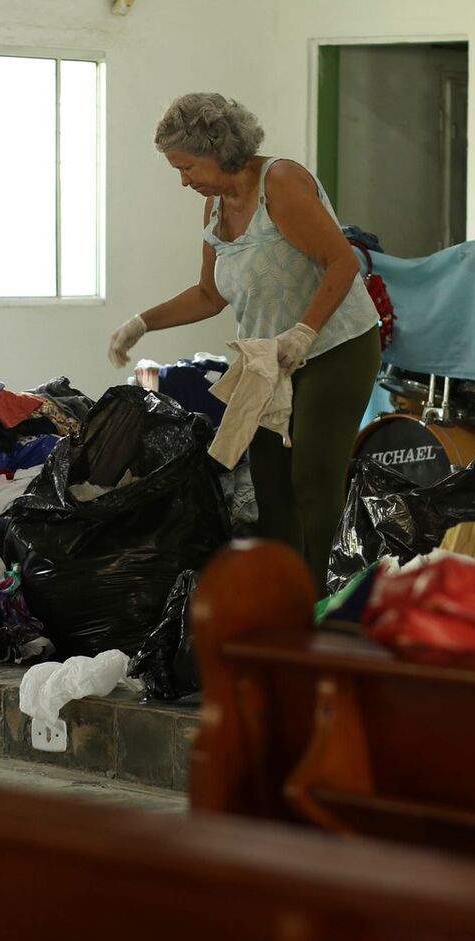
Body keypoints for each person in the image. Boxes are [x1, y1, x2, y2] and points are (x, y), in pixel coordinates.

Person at [111, 92, 380, 589]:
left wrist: (305, 330)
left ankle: (329, 602)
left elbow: (342, 260)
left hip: (334, 348)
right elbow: (210, 295)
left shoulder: (280, 181)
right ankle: (286, 599)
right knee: (270, 487)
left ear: (217, 148)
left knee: (313, 480)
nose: (184, 180)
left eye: (187, 167)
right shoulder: (215, 207)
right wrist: (141, 323)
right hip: (267, 360)